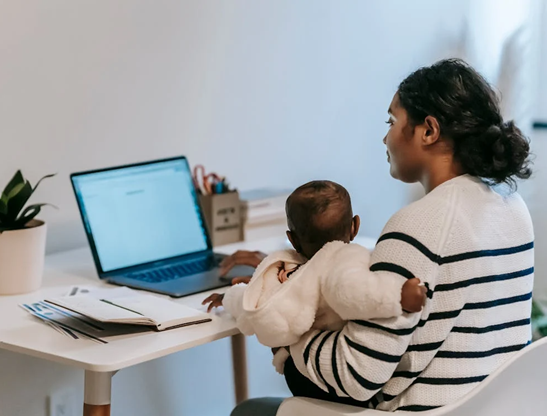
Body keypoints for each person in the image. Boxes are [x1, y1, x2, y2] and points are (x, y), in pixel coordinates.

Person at [227, 59, 534, 415]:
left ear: (428, 131)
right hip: (492, 408)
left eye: (392, 121)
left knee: (250, 410)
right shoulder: (512, 207)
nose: (385, 137)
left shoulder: (418, 223)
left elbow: (357, 375)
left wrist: (284, 322)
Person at [203, 180, 426, 374]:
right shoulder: (344, 262)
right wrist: (399, 295)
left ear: (292, 240)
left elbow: (253, 305)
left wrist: (229, 297)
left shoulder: (291, 276)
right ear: (355, 226)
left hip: (305, 372)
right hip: (323, 370)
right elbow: (359, 292)